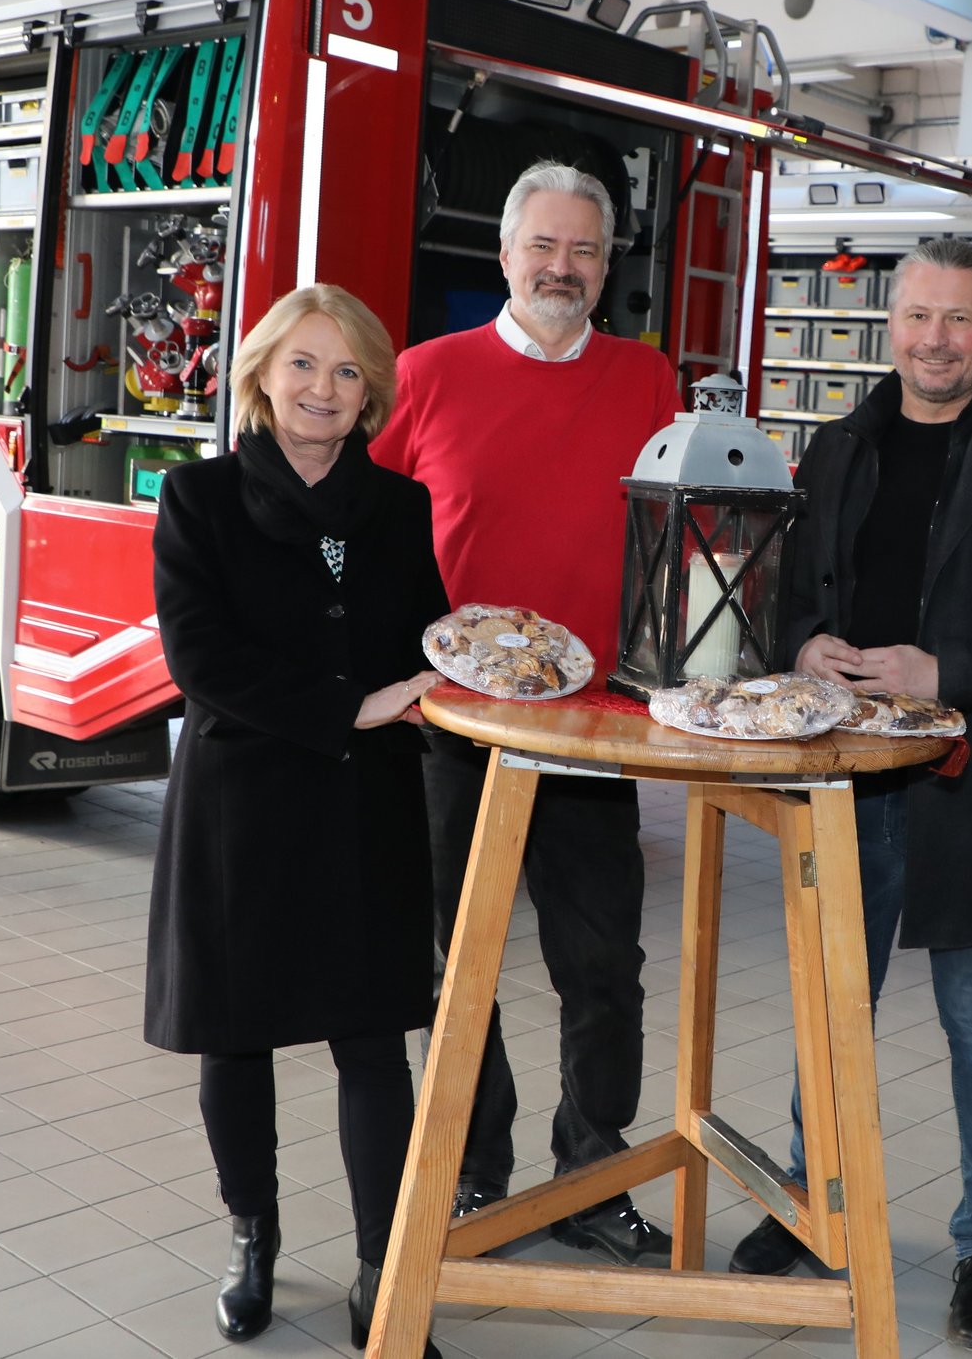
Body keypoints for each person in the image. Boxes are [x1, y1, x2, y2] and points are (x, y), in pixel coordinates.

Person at [729, 237, 972, 1350]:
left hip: (965, 783)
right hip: (842, 775)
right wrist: (801, 644)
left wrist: (945, 675)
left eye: (958, 320)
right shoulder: (839, 445)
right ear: (887, 322)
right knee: (827, 1013)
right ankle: (811, 1206)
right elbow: (789, 591)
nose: (934, 340)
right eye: (916, 317)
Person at [370, 160, 682, 1265]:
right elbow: (364, 529)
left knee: (603, 962)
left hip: (593, 726)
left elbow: (674, 545)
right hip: (452, 727)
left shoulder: (646, 380)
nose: (562, 268)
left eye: (583, 250)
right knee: (455, 963)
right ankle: (470, 1173)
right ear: (503, 256)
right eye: (543, 247)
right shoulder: (425, 374)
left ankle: (591, 1173)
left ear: (607, 267)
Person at [144, 284, 448, 1354]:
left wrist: (467, 662)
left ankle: (382, 1270)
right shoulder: (199, 499)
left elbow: (424, 640)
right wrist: (346, 707)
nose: (324, 389)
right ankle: (252, 1240)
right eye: (303, 365)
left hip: (365, 811)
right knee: (237, 1040)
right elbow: (199, 658)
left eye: (349, 371)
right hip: (242, 809)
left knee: (373, 1045)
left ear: (372, 395)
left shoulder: (399, 508)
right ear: (262, 376)